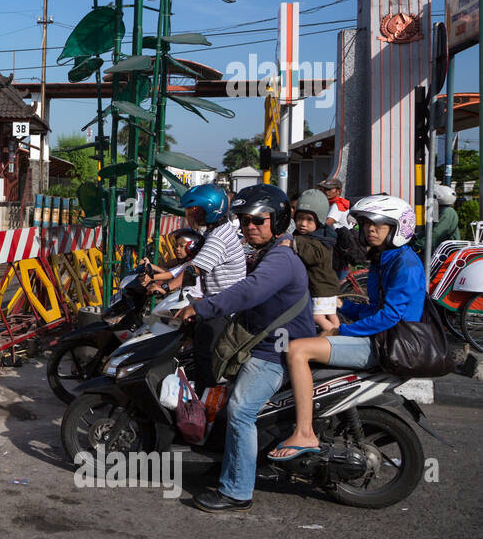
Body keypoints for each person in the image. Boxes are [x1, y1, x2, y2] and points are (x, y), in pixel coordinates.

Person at [175, 184, 315, 513]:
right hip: (264, 343)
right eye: (244, 220)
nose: (250, 226)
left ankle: (237, 491)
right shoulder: (268, 252)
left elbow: (250, 291)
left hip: (274, 352)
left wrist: (203, 308)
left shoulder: (280, 258)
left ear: (277, 221)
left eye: (258, 220)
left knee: (240, 411)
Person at [269, 195, 426, 461]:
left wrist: (341, 331)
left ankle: (305, 432)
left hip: (388, 344)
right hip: (382, 337)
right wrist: (342, 304)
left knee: (297, 350)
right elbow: (377, 309)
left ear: (398, 228)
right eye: (366, 225)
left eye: (379, 225)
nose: (370, 230)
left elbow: (390, 317)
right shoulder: (386, 258)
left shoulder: (405, 264)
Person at [144, 185, 245, 298]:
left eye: (194, 210)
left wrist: (165, 288)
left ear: (209, 209)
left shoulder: (218, 237)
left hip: (225, 303)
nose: (189, 215)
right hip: (217, 298)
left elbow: (194, 269)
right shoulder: (216, 230)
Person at [287, 189, 341, 331]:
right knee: (331, 315)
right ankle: (339, 332)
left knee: (318, 317)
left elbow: (313, 256)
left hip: (321, 288)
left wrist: (293, 243)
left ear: (319, 220)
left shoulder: (319, 240)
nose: (303, 223)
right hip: (326, 286)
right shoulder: (314, 236)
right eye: (300, 218)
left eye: (309, 220)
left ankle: (336, 336)